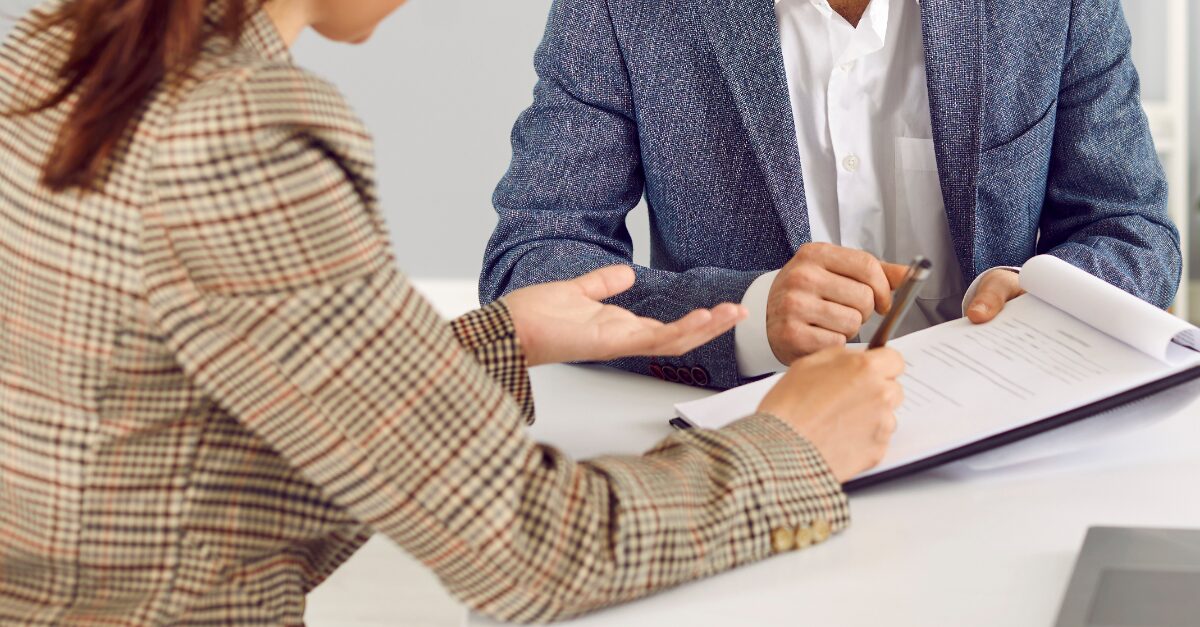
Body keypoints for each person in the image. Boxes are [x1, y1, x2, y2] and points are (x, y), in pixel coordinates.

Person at [0, 0, 906, 623]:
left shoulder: (55, 56)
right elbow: (535, 552)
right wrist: (792, 447)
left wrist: (497, 340)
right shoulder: (242, 140)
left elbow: (171, 418)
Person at [480, 0, 1182, 390]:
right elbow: (534, 259)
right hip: (752, 450)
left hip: (1005, 446)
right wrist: (751, 316)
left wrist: (1052, 298)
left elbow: (1132, 230)